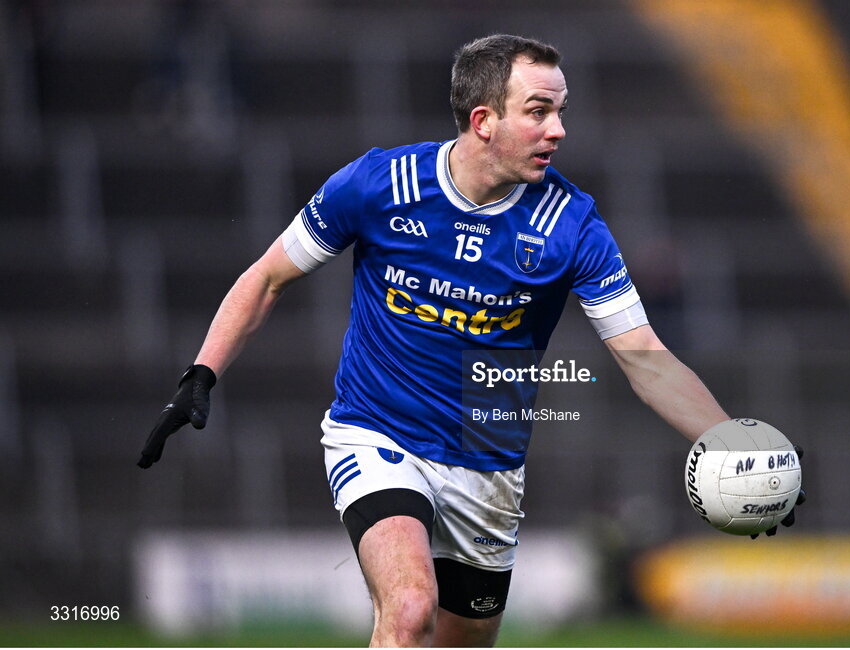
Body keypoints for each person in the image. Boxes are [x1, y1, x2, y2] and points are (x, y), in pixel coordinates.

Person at [138, 34, 803, 647]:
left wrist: (729, 443)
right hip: (377, 436)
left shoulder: (573, 226)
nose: (559, 129)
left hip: (488, 470)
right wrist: (201, 374)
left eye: (560, 111)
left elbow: (645, 361)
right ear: (484, 120)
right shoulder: (378, 185)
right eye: (538, 111)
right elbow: (267, 279)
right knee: (407, 610)